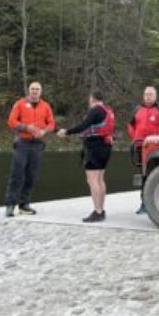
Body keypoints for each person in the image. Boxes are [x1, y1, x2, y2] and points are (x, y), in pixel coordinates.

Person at [57, 91, 114, 223]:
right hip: (106, 147)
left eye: (90, 99)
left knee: (92, 180)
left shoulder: (95, 111)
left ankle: (97, 212)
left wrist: (66, 132)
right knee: (100, 180)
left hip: (95, 147)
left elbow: (83, 126)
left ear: (92, 99)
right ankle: (102, 210)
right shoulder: (108, 110)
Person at [4, 81, 55, 218]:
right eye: (32, 89)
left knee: (31, 175)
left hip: (38, 144)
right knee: (17, 174)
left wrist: (44, 131)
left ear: (41, 91)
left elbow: (51, 124)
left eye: (37, 89)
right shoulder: (20, 104)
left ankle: (24, 204)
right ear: (28, 90)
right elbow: (11, 121)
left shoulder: (46, 106)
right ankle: (10, 205)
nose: (35, 91)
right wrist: (27, 127)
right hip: (22, 143)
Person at [128, 86, 159, 214]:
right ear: (143, 95)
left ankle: (155, 204)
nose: (148, 96)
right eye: (146, 94)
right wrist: (135, 136)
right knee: (143, 175)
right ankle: (143, 204)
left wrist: (158, 139)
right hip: (140, 147)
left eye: (151, 94)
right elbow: (130, 125)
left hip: (155, 149)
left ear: (155, 96)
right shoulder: (137, 109)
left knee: (154, 175)